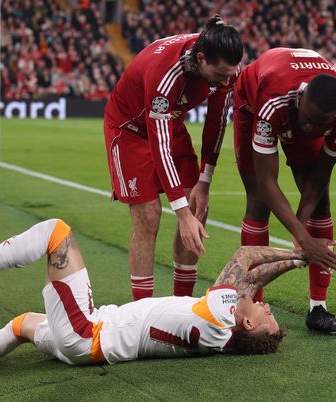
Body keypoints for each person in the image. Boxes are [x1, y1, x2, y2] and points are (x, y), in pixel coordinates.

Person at [0, 218, 315, 377]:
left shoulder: (219, 315)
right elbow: (253, 279)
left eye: (266, 313)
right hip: (84, 347)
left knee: (56, 233)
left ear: (246, 323)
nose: (266, 304)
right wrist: (299, 260)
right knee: (20, 325)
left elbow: (245, 258)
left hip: (88, 333)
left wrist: (301, 248)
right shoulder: (221, 330)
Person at [103, 16, 242, 300]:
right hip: (130, 130)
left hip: (171, 123)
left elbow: (216, 123)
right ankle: (143, 312)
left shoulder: (226, 67)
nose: (227, 81)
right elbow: (160, 147)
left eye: (230, 74)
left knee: (197, 207)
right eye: (221, 75)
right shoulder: (165, 75)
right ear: (201, 59)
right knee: (149, 216)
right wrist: (181, 214)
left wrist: (205, 180)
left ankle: (182, 305)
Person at [233, 47, 336, 334]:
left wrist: (300, 229)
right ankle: (250, 303)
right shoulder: (273, 101)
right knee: (257, 201)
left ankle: (318, 309)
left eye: (319, 124)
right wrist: (304, 237)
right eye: (307, 119)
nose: (308, 127)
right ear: (301, 98)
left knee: (320, 201)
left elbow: (320, 176)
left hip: (292, 102)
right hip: (252, 102)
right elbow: (267, 181)